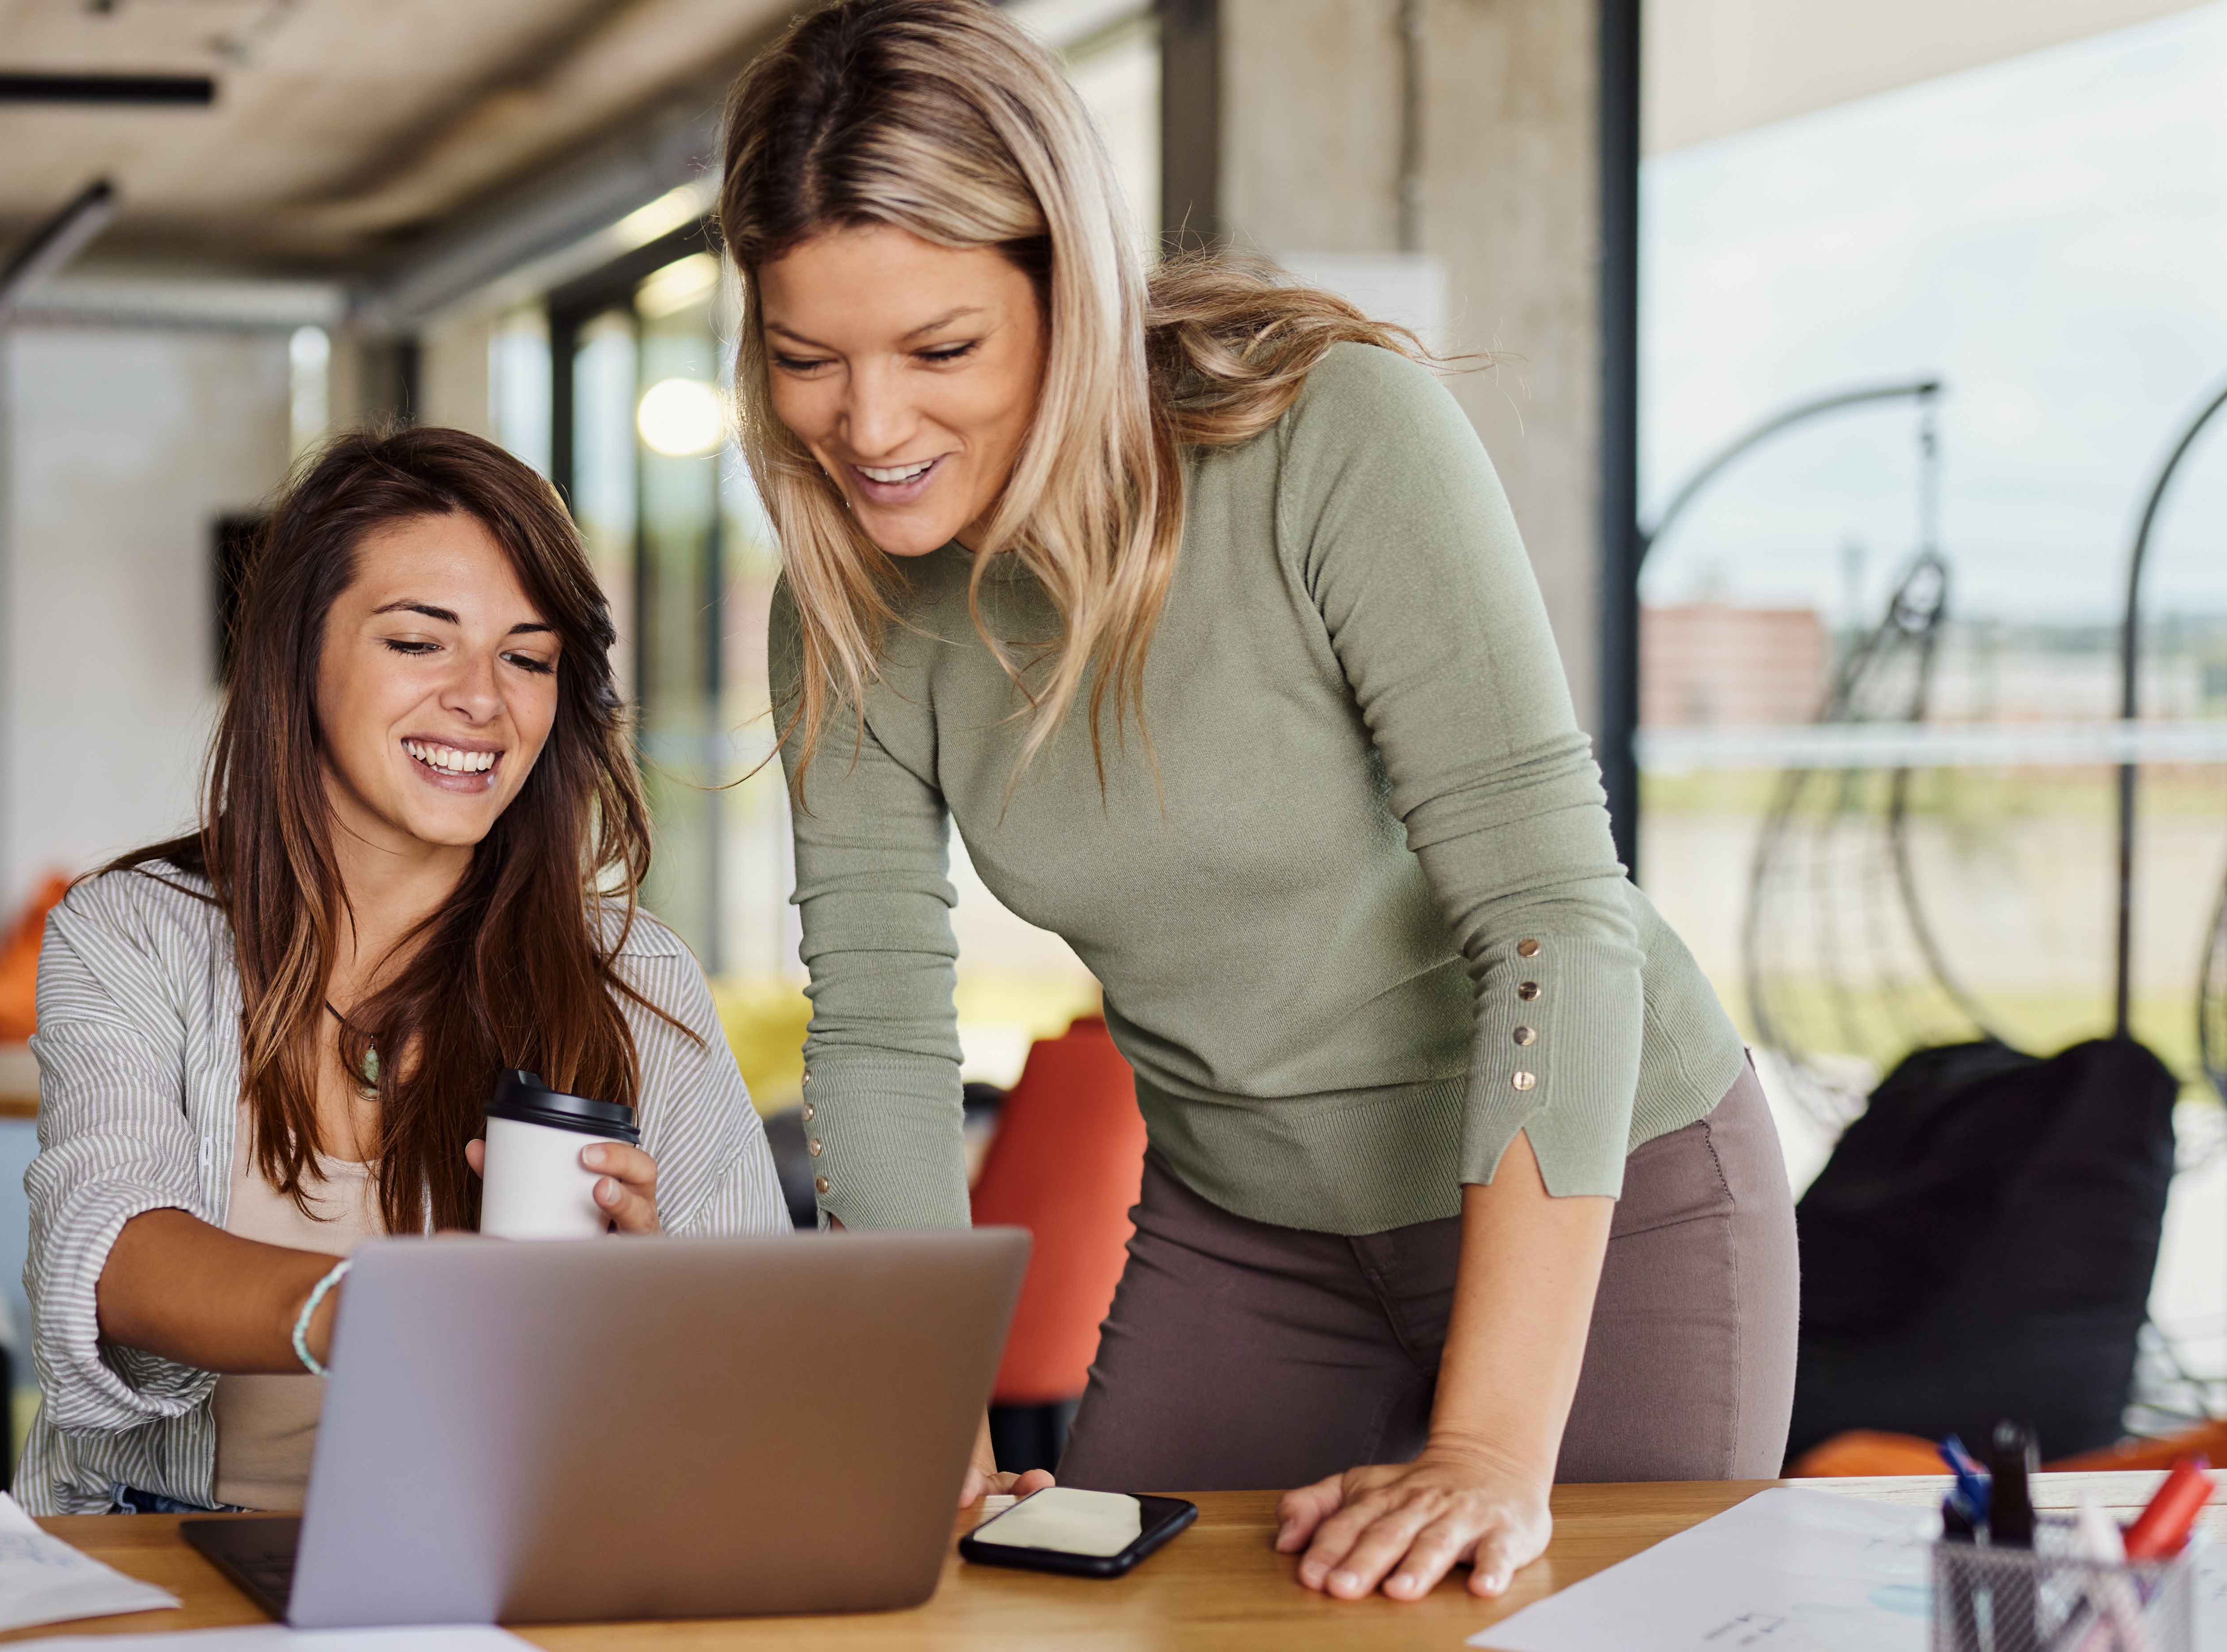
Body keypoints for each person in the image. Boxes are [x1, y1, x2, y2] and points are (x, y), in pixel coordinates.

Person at [724, 0, 1795, 1603]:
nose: (869, 429)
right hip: (1243, 1234)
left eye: (939, 351)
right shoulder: (845, 602)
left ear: (1072, 290)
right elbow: (880, 1026)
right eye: (809, 360)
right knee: (1060, 1608)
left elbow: (1549, 915)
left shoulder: (1328, 436)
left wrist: (1488, 1446)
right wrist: (925, 1416)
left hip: (1603, 1191)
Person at [14, 426, 789, 1517]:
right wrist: (389, 1309)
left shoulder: (634, 979)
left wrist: (649, 1317)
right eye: (421, 643)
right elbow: (110, 1257)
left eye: (527, 658)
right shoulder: (134, 932)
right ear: (298, 655)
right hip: (160, 1547)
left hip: (502, 1554)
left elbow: (753, 1369)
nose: (483, 699)